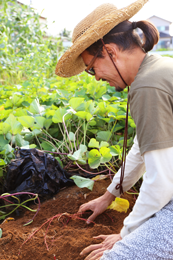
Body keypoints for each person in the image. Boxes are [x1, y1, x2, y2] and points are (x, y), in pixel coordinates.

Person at [55, 0, 173, 259]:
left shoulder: (147, 87)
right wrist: (108, 197)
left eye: (91, 69)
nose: (96, 77)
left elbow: (162, 181)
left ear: (109, 51)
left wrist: (124, 236)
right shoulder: (156, 68)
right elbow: (143, 148)